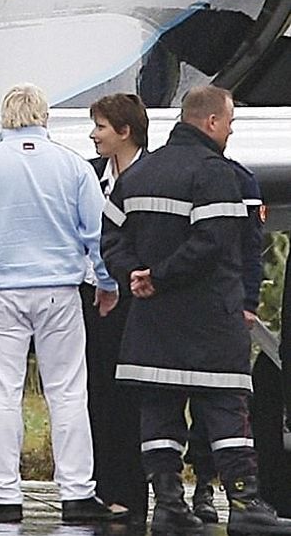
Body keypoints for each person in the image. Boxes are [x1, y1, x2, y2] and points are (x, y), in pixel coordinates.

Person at [103, 85, 291, 536]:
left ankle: (168, 504)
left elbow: (110, 237)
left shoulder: (140, 172)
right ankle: (245, 504)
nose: (230, 130)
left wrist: (136, 276)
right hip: (208, 323)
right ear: (210, 122)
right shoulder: (217, 175)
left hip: (151, 324)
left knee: (160, 414)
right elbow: (216, 242)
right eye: (228, 122)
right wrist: (162, 277)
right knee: (228, 413)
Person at [0, 83, 118, 523]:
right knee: (68, 392)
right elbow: (97, 233)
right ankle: (76, 493)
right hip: (60, 292)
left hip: (2, 294)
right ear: (45, 118)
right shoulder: (74, 167)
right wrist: (106, 281)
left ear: (4, 118)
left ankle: (2, 493)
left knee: (3, 392)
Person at [82, 93, 150, 521]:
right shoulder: (89, 175)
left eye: (101, 127)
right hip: (91, 298)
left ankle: (135, 492)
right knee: (97, 392)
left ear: (125, 131)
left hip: (138, 299)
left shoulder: (153, 175)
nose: (93, 135)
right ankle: (104, 488)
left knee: (134, 398)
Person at [186, 157, 264, 523]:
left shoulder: (240, 179)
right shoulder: (176, 174)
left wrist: (248, 301)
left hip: (221, 306)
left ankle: (205, 482)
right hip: (183, 302)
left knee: (214, 402)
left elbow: (251, 246)